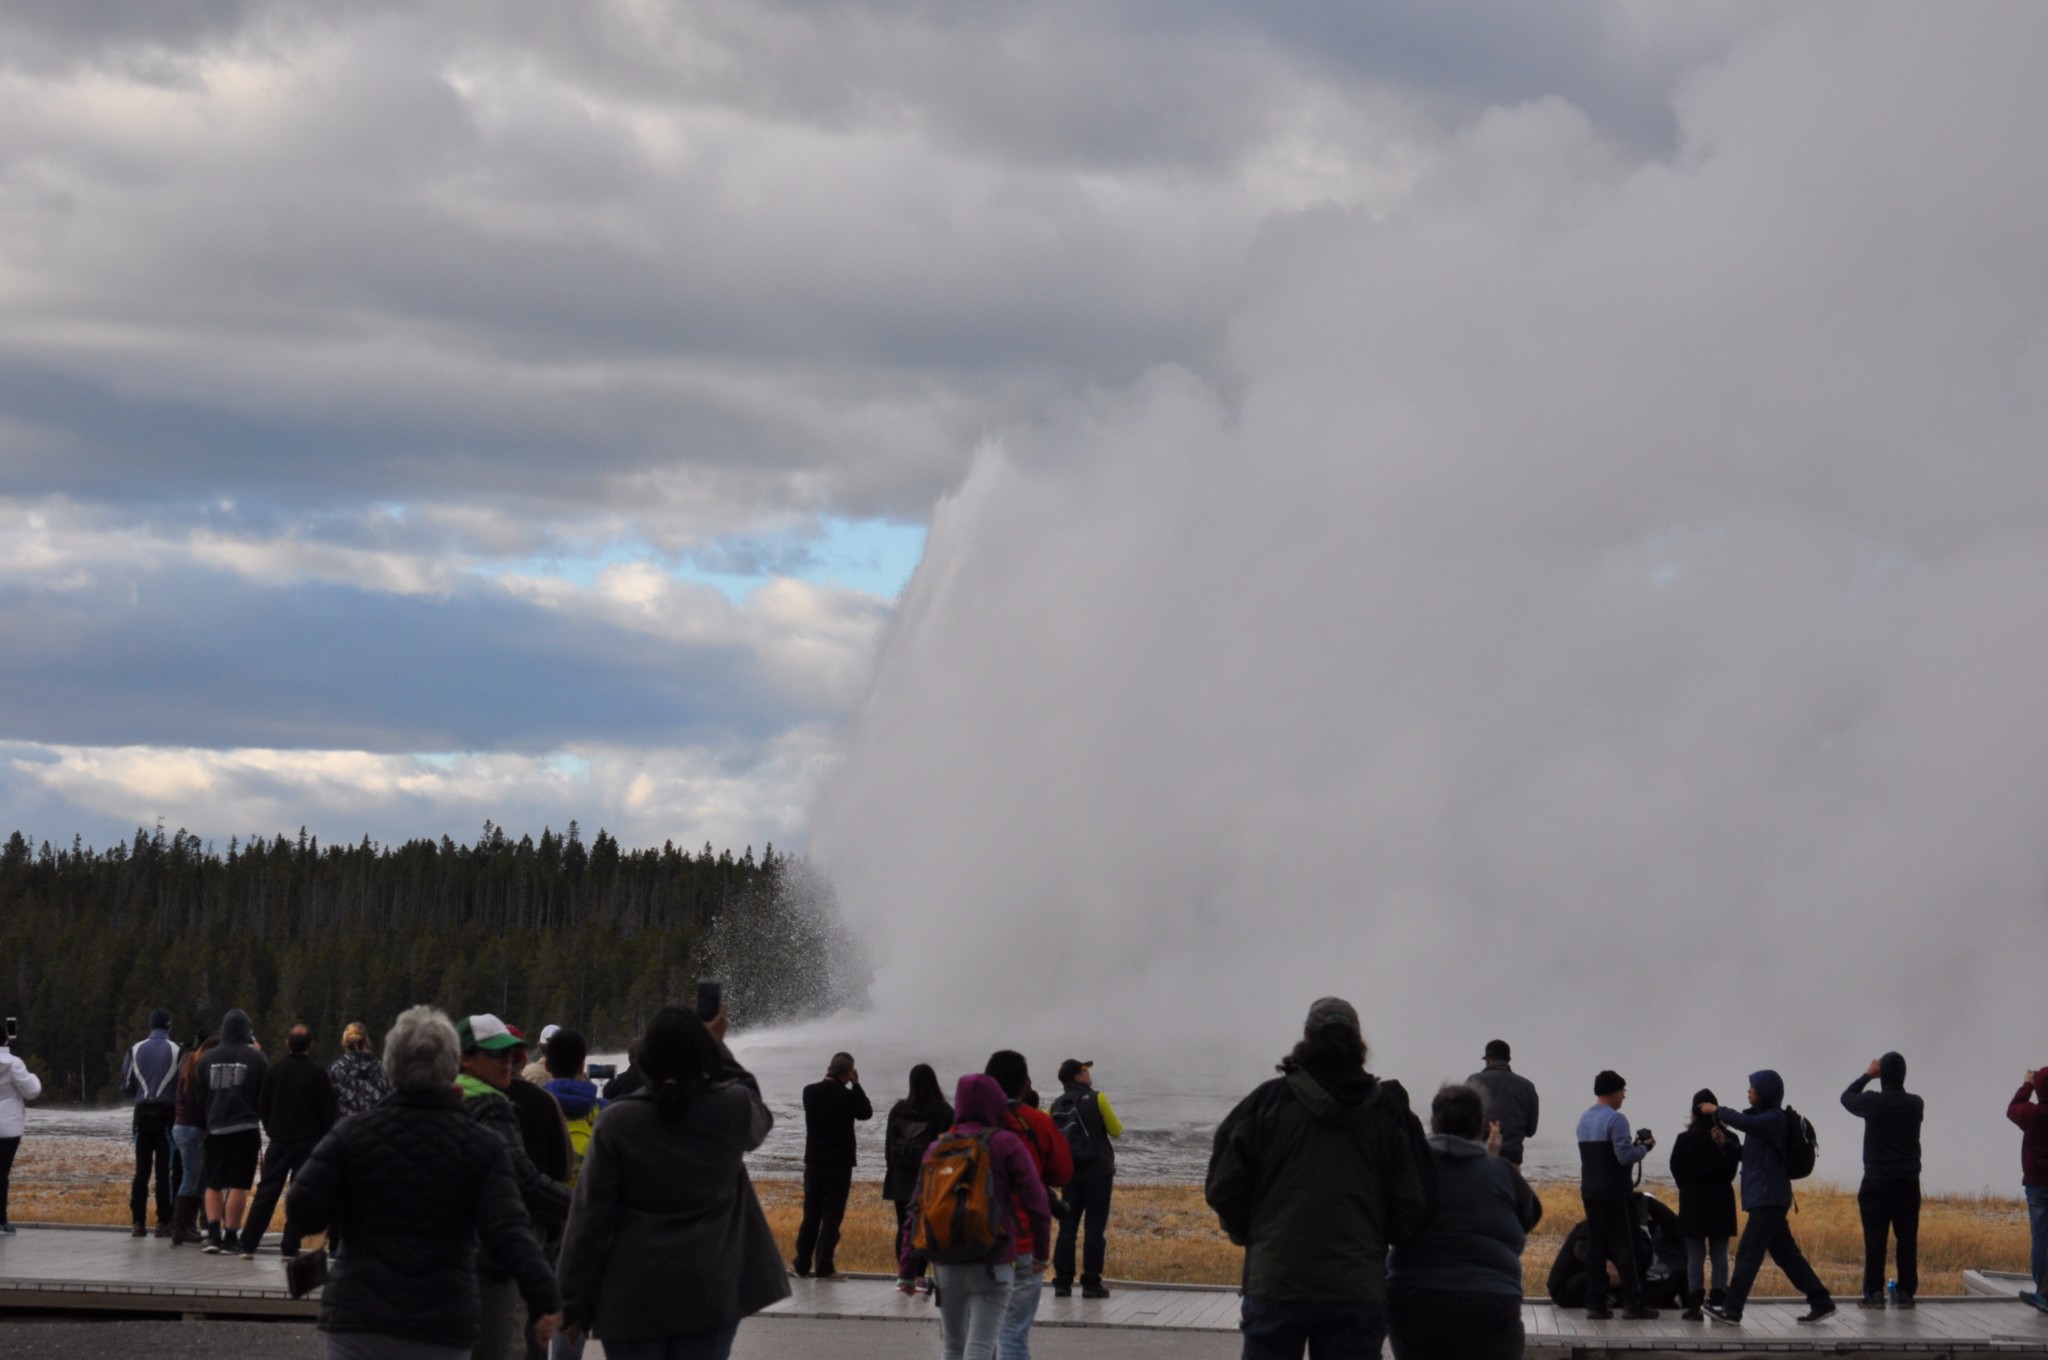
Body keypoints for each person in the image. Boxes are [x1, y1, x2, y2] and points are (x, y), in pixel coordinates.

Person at [288, 1006, 563, 1359]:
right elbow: (509, 1230)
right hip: (440, 1324)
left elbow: (302, 1209)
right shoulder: (481, 1144)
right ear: (452, 1066)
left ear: (390, 1065)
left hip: (357, 1317)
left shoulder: (350, 1135)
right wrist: (546, 1298)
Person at [556, 1005, 790, 1360]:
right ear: (704, 1057)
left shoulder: (617, 1123)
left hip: (631, 1297)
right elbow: (750, 1093)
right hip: (709, 1291)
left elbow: (589, 1220)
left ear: (646, 1059)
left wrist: (573, 1305)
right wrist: (716, 1047)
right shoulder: (732, 1109)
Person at [1205, 996, 1429, 1360]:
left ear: (1307, 1037)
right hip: (1357, 1284)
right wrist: (1374, 1241)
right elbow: (1413, 1199)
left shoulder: (1266, 1103)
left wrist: (1253, 1235)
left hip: (1277, 1279)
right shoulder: (1388, 1113)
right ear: (1359, 1043)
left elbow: (1224, 1184)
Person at [899, 1072, 1051, 1360]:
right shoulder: (1006, 1143)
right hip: (993, 1259)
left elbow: (915, 1210)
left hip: (946, 1261)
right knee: (980, 1346)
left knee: (952, 1346)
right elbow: (1037, 1201)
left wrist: (907, 1271)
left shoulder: (938, 1146)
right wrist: (1041, 1253)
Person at [1385, 1083, 1543, 1360]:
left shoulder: (1410, 1169)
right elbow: (1531, 1216)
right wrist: (1492, 1160)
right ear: (1481, 1126)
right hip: (1490, 1300)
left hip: (1415, 1298)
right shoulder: (1502, 1173)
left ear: (1433, 1123)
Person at [458, 1013, 573, 1360]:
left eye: (511, 1054)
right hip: (490, 1260)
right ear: (465, 1058)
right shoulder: (493, 1108)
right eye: (497, 1054)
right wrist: (586, 1206)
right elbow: (526, 1181)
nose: (508, 1061)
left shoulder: (447, 1099)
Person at [1699, 1074, 1837, 1325]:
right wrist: (1724, 1145)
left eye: (1753, 1088)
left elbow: (1742, 1123)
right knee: (1786, 1255)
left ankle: (1732, 1310)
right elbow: (1749, 1155)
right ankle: (1821, 1301)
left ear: (1765, 1092)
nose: (1749, 1091)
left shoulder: (1773, 1119)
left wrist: (1717, 1110)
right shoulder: (1760, 1121)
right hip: (1767, 1196)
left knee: (1748, 1254)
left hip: (1769, 1198)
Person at [985, 1050, 1075, 1358]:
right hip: (1023, 1240)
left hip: (973, 1238)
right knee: (1013, 1332)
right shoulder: (1036, 1122)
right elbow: (1062, 1173)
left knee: (977, 1335)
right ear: (1025, 1085)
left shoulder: (969, 1124)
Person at [238, 1023, 338, 1259]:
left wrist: (271, 1128)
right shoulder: (318, 1073)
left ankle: (248, 1243)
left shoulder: (274, 1071)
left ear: (287, 1044)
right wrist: (323, 1138)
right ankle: (290, 1244)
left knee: (267, 1192)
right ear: (310, 1045)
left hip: (280, 1140)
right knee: (300, 1194)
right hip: (309, 1141)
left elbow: (262, 1104)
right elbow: (328, 1110)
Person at [1842, 1053, 1923, 1308]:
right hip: (1908, 1180)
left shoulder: (1872, 1103)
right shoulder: (1915, 1104)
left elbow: (1846, 1097)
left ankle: (1874, 1293)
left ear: (1882, 1076)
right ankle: (1906, 1292)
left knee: (1875, 1239)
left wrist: (1867, 1074)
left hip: (1876, 1180)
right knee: (1907, 1238)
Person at [1574, 1071, 1656, 1321]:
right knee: (1627, 1246)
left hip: (1590, 1191)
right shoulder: (1617, 1120)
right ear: (1612, 1092)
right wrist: (1644, 1147)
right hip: (1615, 1192)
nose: (1623, 1097)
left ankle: (1596, 1303)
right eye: (1622, 1091)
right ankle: (1633, 1303)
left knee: (1597, 1247)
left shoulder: (1584, 1119)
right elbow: (1624, 1157)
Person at [792, 1050, 872, 1279]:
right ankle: (824, 1265)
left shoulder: (809, 1092)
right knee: (832, 1216)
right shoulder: (847, 1097)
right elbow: (866, 1112)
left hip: (814, 1162)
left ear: (829, 1069)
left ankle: (801, 1264)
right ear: (848, 1073)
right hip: (839, 1164)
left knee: (811, 1215)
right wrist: (856, 1085)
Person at [197, 1008, 269, 1254]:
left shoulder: (207, 1058)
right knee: (239, 1184)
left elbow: (200, 1093)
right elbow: (265, 1094)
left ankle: (212, 1234)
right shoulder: (257, 1059)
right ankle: (231, 1236)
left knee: (213, 1182)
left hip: (215, 1127)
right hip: (246, 1126)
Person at [1050, 1058, 1122, 1299]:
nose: (1088, 1073)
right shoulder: (1098, 1098)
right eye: (1084, 1070)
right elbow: (1116, 1130)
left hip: (1071, 1173)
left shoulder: (1056, 1105)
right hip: (1098, 1172)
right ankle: (1091, 1283)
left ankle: (1062, 1282)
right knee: (1094, 1229)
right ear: (1077, 1077)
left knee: (1067, 1228)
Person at [1667, 1088, 1741, 1319]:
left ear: (1693, 1112)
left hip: (1692, 1201)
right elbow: (1731, 1171)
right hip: (1721, 1200)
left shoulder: (1684, 1139)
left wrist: (1688, 1187)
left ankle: (1694, 1304)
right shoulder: (1731, 1138)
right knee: (1719, 1254)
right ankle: (1718, 1301)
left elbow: (1675, 1167)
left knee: (1695, 1255)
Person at [883, 1063, 953, 1293]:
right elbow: (948, 1148)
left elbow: (888, 1144)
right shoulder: (943, 1111)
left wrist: (893, 1170)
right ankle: (920, 1275)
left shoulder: (899, 1109)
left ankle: (904, 1274)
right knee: (925, 1226)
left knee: (903, 1225)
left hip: (901, 1177)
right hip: (929, 1178)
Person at [119, 1006, 182, 1237]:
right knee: (164, 1171)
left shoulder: (135, 1049)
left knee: (141, 1170)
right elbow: (182, 1085)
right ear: (169, 1026)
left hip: (142, 1113)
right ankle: (164, 1222)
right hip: (167, 1115)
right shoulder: (177, 1050)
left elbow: (126, 1085)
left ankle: (138, 1222)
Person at [169, 1033, 218, 1245]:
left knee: (196, 1177)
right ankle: (179, 1227)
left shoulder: (189, 1063)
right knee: (191, 1177)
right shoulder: (197, 1070)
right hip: (191, 1129)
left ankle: (187, 1225)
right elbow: (196, 1105)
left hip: (183, 1127)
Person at [2006, 1066, 2048, 1311]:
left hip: (2036, 1185)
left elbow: (2012, 1109)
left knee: (2041, 1239)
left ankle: (2043, 1292)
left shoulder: (2032, 1114)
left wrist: (2027, 1085)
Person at [540, 1029, 603, 1186]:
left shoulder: (534, 1109)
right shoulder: (605, 1110)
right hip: (589, 1202)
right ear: (582, 1067)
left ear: (546, 1065)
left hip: (547, 1203)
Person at [1466, 1040, 1539, 1169]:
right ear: (1509, 1059)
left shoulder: (1474, 1081)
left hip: (1479, 1156)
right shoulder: (1527, 1087)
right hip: (1511, 1159)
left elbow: (1462, 1122)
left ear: (1488, 1059)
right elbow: (1530, 1130)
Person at [0, 1021, 42, 1234]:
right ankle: (2, 1220)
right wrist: (34, 1076)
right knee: (2, 1172)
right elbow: (31, 1091)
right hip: (9, 1126)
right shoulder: (14, 1063)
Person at [329, 1021, 394, 1118]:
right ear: (366, 1040)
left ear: (345, 1042)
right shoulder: (382, 1069)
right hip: (375, 1128)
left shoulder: (336, 1070)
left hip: (344, 1129)